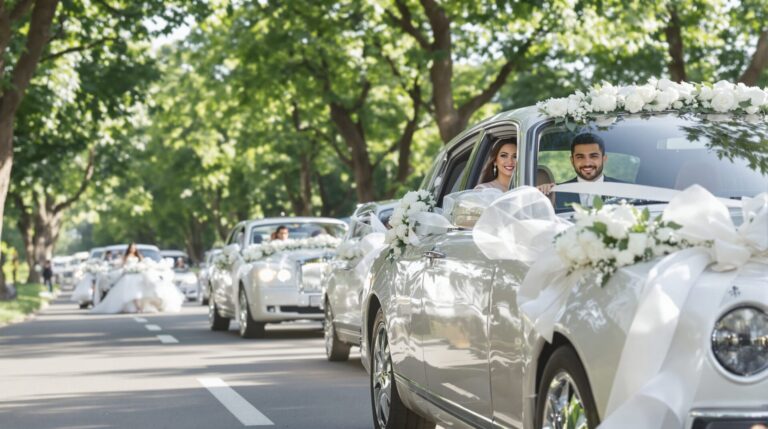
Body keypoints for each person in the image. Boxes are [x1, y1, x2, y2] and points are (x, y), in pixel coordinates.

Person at [538, 133, 623, 210]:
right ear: (572, 161)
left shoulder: (624, 190)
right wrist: (540, 193)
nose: (587, 163)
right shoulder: (556, 193)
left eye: (593, 156)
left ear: (604, 159)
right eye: (580, 157)